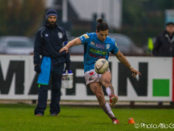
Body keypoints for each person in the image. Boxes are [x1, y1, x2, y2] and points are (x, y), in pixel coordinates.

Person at [59, 19, 140, 124]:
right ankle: (113, 118)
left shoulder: (110, 42)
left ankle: (112, 96)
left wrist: (130, 67)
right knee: (99, 95)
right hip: (89, 69)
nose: (104, 37)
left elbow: (119, 55)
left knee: (105, 80)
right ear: (97, 32)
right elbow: (76, 41)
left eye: (106, 34)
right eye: (102, 35)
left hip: (103, 66)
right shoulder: (89, 37)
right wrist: (67, 46)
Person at [33, 9, 70, 116]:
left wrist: (68, 62)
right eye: (50, 17)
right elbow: (36, 49)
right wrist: (36, 63)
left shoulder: (62, 31)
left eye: (54, 18)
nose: (52, 20)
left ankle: (54, 111)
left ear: (56, 18)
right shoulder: (41, 32)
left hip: (59, 61)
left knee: (56, 88)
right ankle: (40, 111)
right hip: (46, 61)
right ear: (47, 18)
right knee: (43, 88)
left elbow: (66, 47)